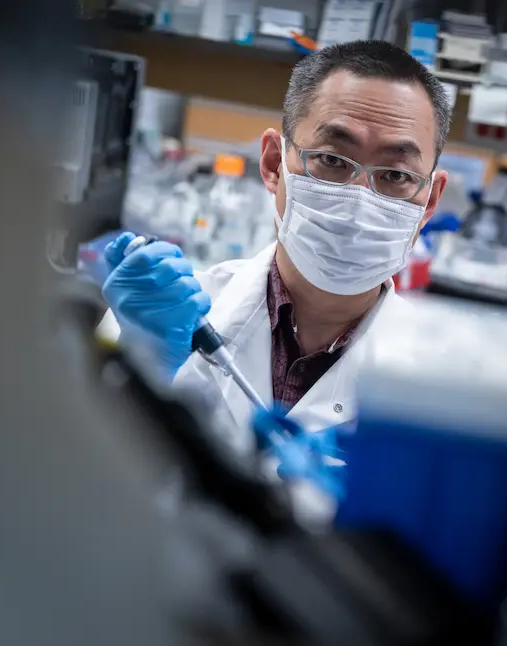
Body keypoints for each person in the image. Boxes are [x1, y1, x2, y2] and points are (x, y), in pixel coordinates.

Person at [101, 40, 451, 454]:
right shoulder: (155, 322)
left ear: (428, 201)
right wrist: (143, 368)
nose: (359, 198)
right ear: (272, 164)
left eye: (395, 174)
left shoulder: (449, 390)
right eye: (333, 160)